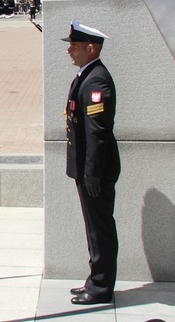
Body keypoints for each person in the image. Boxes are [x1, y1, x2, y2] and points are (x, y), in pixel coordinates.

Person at [62, 21, 120, 305]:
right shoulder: (86, 74)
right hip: (87, 168)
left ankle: (100, 287)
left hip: (94, 170)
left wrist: (92, 174)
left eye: (73, 46)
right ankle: (95, 278)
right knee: (94, 229)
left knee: (100, 230)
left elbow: (97, 132)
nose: (69, 51)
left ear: (90, 48)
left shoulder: (96, 80)